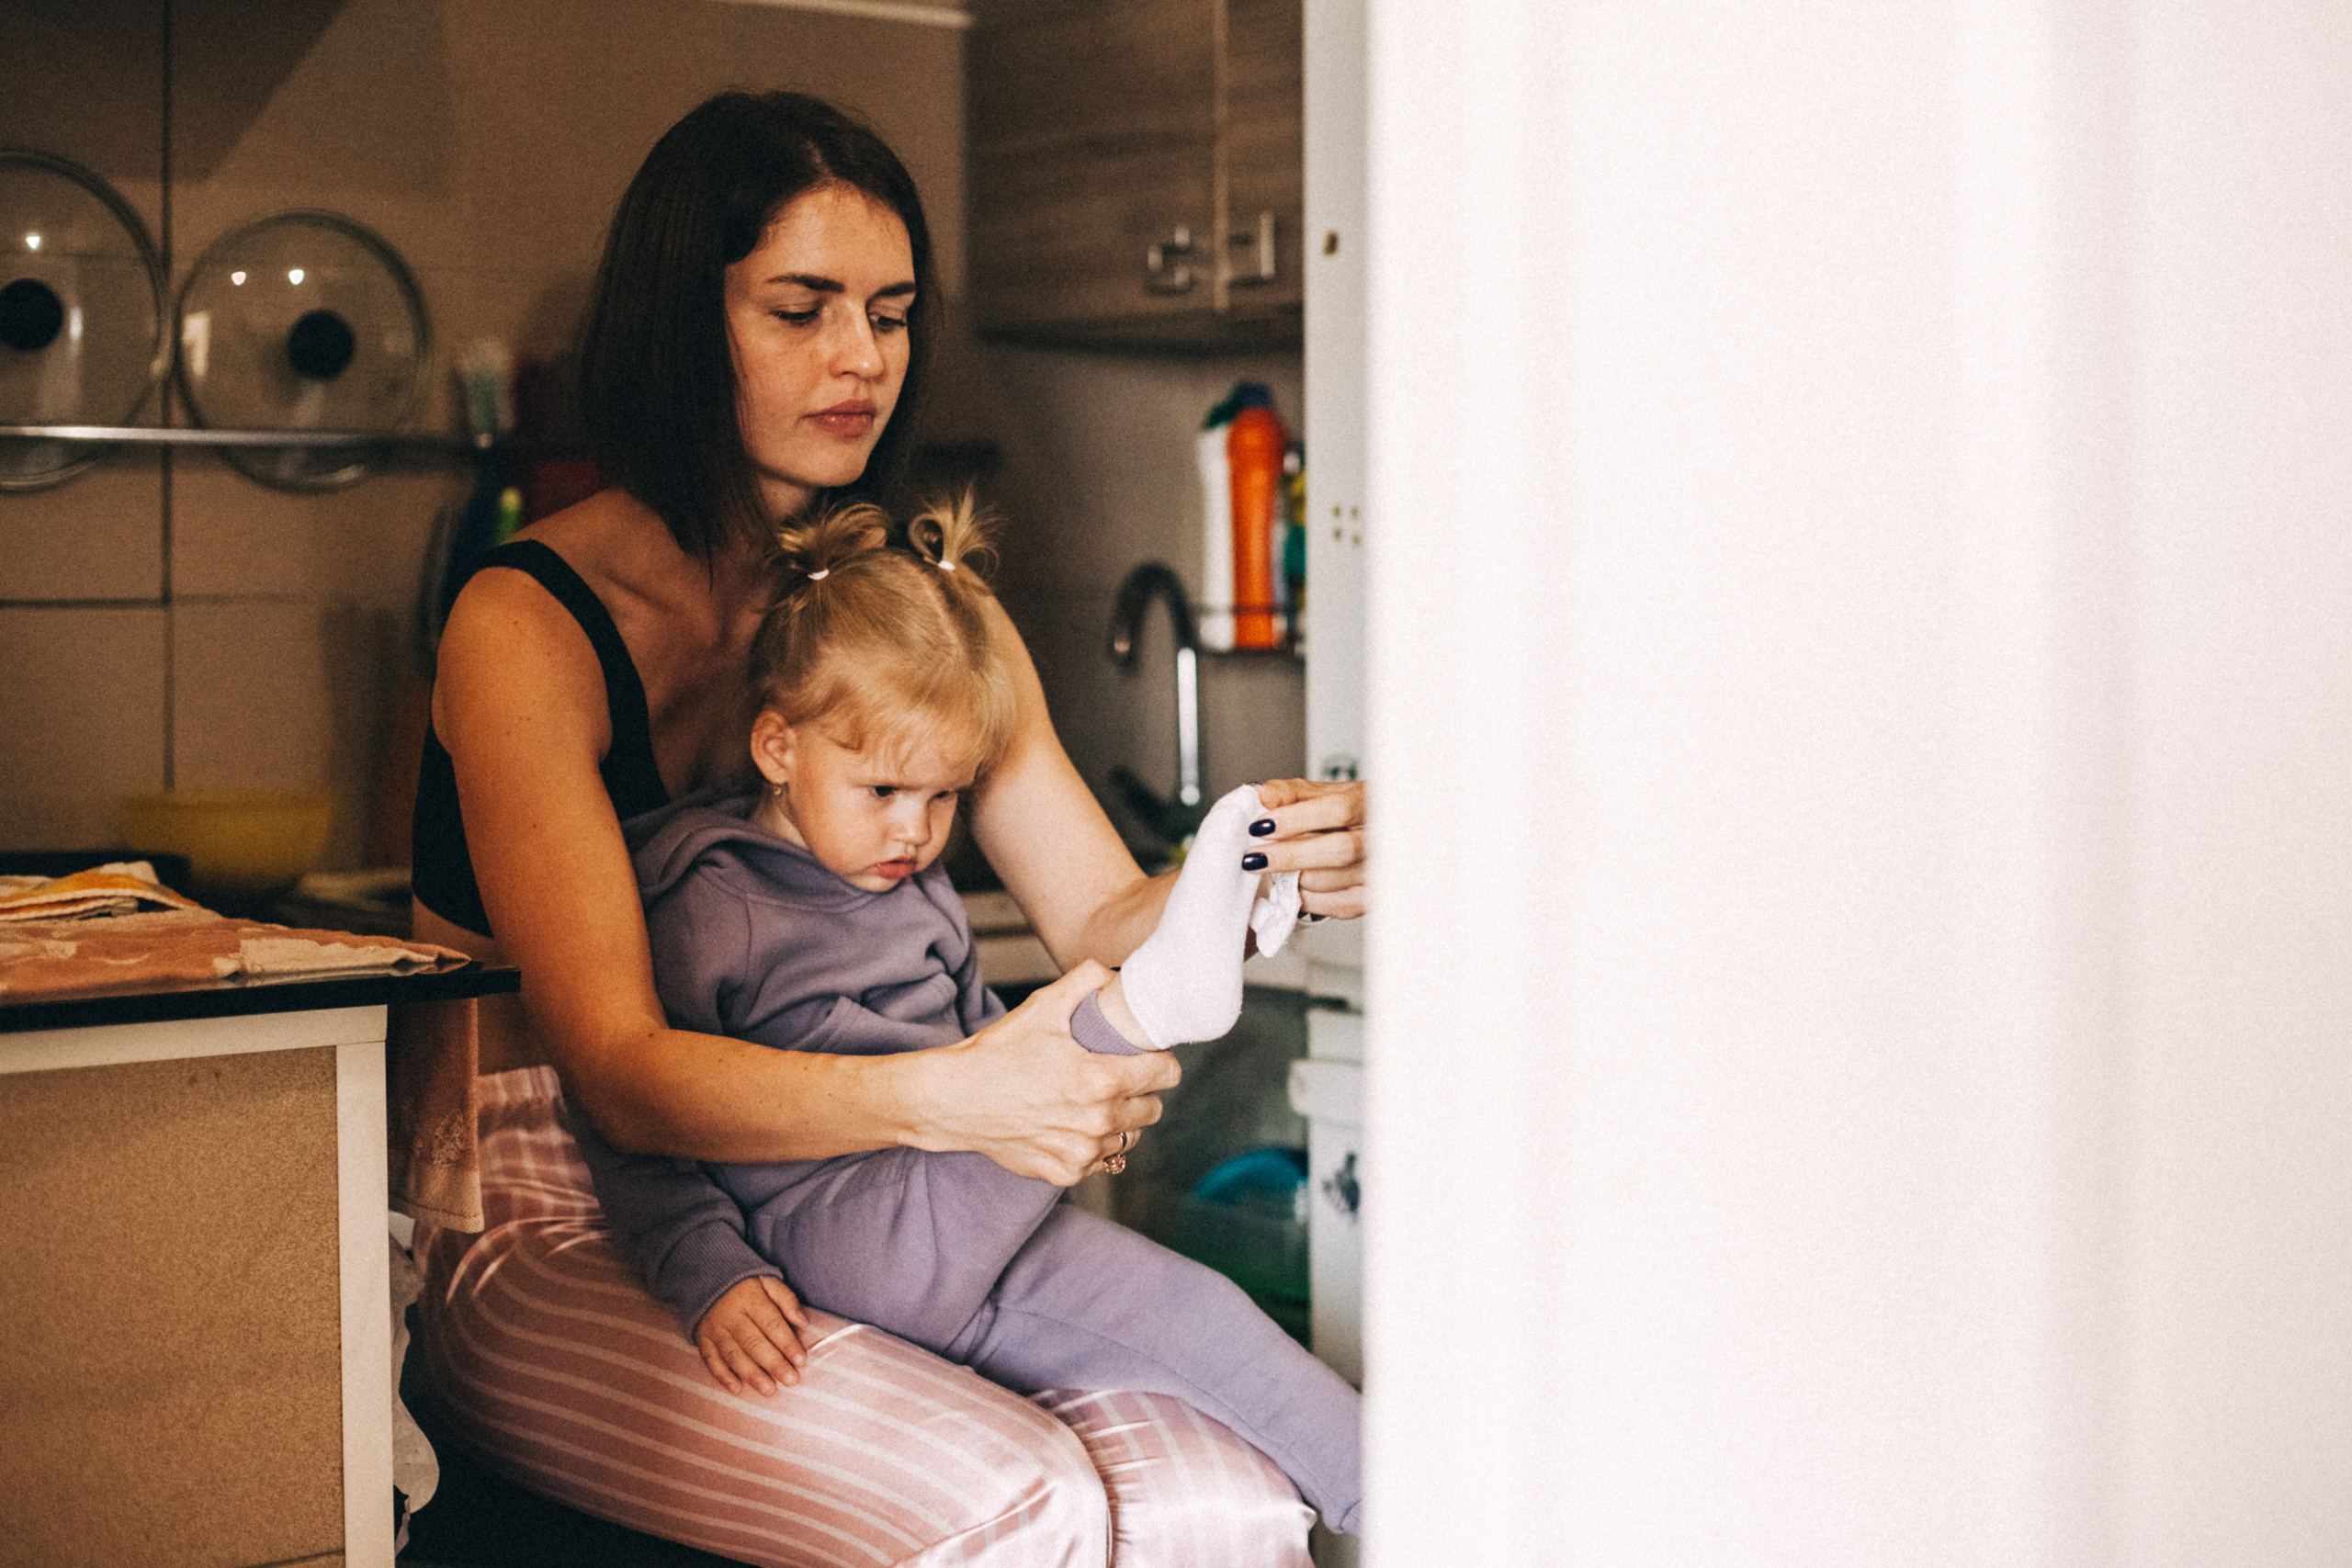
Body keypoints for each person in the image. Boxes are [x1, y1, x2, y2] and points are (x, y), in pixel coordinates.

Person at [406, 88, 1366, 1566]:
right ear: (687, 323)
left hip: (880, 1191)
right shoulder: (523, 623)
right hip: (559, 1207)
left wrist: (1260, 859)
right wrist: (949, 1097)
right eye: (802, 308)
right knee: (1019, 1490)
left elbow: (1108, 915)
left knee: (1225, 1499)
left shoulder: (927, 613)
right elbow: (623, 1075)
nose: (863, 357)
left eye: (894, 313)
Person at [574, 498, 1362, 1536]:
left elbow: (977, 1042)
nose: (916, 829)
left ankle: (1427, 1515)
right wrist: (711, 1271)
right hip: (835, 1238)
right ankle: (1148, 1000)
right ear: (776, 746)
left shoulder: (908, 883)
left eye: (945, 797)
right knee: (1095, 1097)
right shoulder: (712, 904)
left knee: (1208, 1320)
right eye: (884, 788)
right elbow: (638, 1123)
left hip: (960, 1213)